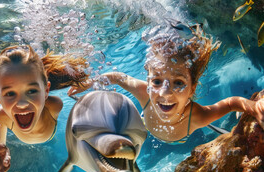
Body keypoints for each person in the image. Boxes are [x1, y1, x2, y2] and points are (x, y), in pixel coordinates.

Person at [68, 24, 264, 144]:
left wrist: (254, 107)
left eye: (178, 82)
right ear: (148, 81)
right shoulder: (145, 93)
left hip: (182, 140)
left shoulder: (195, 116)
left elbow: (230, 104)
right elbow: (119, 77)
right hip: (147, 126)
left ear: (192, 89)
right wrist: (89, 82)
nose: (165, 92)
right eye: (157, 81)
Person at [0, 45, 88, 144]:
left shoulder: (55, 105)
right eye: (10, 93)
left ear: (46, 91)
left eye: (32, 91)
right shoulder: (2, 116)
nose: (22, 103)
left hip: (50, 136)